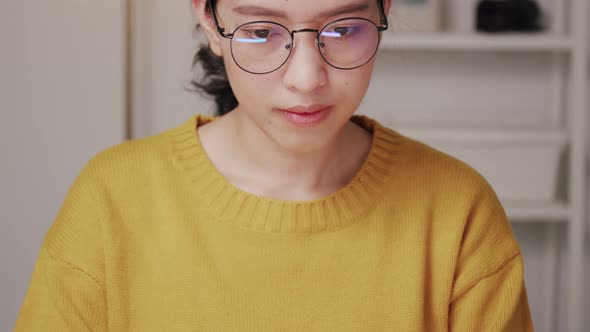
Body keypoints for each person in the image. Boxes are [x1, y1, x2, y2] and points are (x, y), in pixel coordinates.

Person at [15, 0, 533, 330]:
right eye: (262, 32)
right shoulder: (112, 198)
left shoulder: (458, 209)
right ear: (210, 22)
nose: (306, 78)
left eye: (344, 29)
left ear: (384, 11)